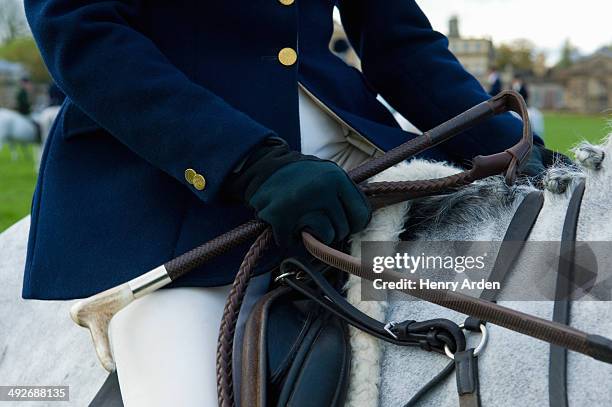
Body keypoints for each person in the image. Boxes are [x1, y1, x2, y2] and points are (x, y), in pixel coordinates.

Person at [23, 1, 553, 405]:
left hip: (359, 162)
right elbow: (82, 31)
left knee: (572, 273)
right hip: (182, 190)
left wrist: (519, 148)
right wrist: (244, 162)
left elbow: (402, 44)